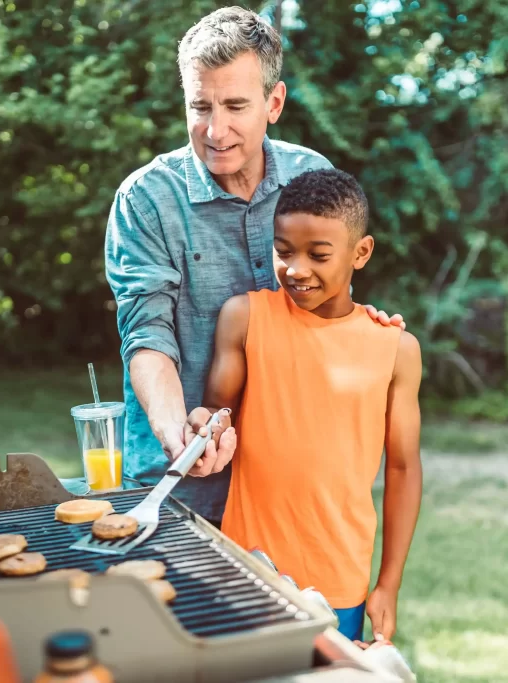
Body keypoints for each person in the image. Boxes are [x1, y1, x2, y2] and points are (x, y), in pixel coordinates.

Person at [104, 6, 404, 527]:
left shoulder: (312, 175)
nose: (215, 130)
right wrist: (177, 428)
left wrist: (364, 324)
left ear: (274, 102)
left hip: (286, 477)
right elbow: (146, 333)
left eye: (235, 106)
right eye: (200, 106)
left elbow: (328, 307)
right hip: (178, 477)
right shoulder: (146, 198)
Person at [196, 168, 423, 645]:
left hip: (339, 576)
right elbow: (216, 417)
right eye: (283, 252)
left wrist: (389, 583)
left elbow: (403, 468)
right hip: (248, 568)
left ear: (360, 253)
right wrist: (203, 433)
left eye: (318, 255)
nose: (296, 269)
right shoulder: (244, 318)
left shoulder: (395, 349)